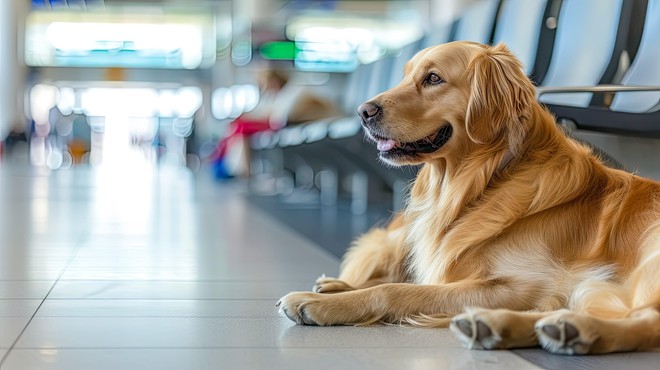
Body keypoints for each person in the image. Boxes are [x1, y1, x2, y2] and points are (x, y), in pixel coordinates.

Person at [211, 68, 340, 179]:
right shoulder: (276, 95)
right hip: (281, 122)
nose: (266, 87)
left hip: (286, 123)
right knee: (238, 126)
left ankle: (239, 168)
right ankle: (232, 164)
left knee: (240, 127)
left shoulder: (294, 90)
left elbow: (279, 116)